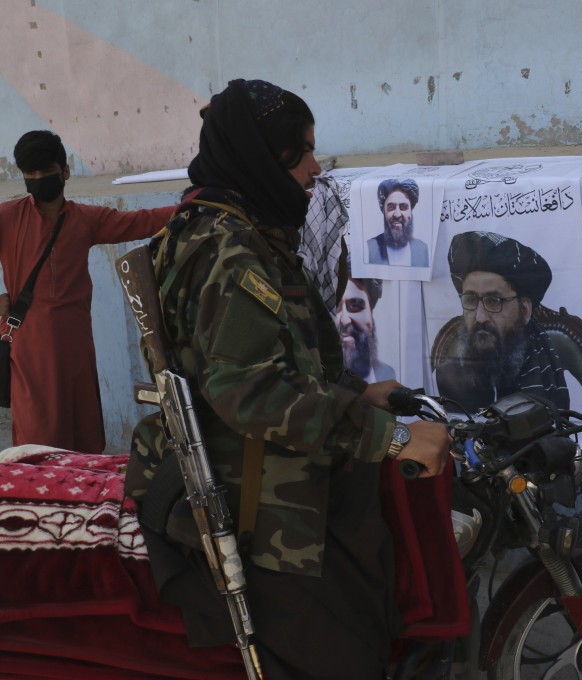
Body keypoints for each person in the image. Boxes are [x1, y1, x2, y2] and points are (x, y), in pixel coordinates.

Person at [124, 79, 450, 679]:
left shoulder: (242, 229)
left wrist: (357, 394)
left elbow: (277, 362)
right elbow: (250, 393)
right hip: (264, 508)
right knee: (341, 654)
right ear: (260, 158)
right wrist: (391, 438)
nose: (313, 167)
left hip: (276, 471)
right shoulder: (229, 250)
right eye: (299, 152)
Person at [0, 130, 175, 453]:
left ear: (65, 172)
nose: (39, 179)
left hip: (77, 342)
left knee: (84, 433)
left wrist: (193, 206)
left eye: (46, 172)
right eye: (31, 174)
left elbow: (141, 221)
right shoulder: (8, 218)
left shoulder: (86, 219)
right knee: (39, 439)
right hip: (30, 346)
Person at [434, 230, 570, 412]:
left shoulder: (545, 377)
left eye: (493, 301)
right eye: (470, 300)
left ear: (525, 310)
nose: (480, 316)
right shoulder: (445, 377)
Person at [366, 178, 429, 266]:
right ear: (384, 211)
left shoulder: (423, 250)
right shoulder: (369, 248)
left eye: (403, 207)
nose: (397, 214)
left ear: (411, 212)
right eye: (391, 207)